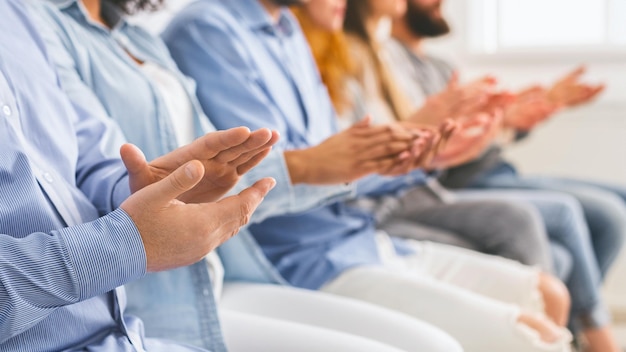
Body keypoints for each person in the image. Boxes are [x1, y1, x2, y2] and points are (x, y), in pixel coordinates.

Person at [33, 0, 462, 351]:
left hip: (220, 270)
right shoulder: (44, 27)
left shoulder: (135, 35)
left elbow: (217, 161)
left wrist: (385, 158)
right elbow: (97, 175)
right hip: (157, 294)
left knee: (433, 343)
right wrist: (310, 165)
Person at [162, 0, 574, 350]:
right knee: (530, 335)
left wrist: (423, 153)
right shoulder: (206, 31)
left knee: (550, 295)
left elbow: (340, 169)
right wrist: (399, 146)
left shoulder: (288, 31)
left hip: (360, 238)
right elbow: (269, 179)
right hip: (305, 260)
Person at [0, 0, 280, 350]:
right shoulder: (49, 19)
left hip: (124, 331)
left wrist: (137, 188)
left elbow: (84, 151)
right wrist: (126, 244)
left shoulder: (15, 15)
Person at [388, 0, 624, 350]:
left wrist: (513, 120)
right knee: (591, 212)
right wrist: (498, 125)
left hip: (490, 167)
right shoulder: (388, 63)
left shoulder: (438, 65)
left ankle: (574, 330)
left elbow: (464, 133)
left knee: (616, 201)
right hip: (462, 179)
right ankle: (593, 334)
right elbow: (435, 147)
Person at [292, 0, 557, 272]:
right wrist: (422, 136)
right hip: (377, 205)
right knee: (524, 222)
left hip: (402, 192)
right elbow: (346, 160)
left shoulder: (376, 54)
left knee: (550, 244)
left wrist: (473, 132)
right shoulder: (339, 60)